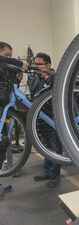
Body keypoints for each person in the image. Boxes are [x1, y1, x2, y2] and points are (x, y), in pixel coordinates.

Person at [0, 41, 27, 196]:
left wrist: (17, 76)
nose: (8, 58)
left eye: (10, 55)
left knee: (3, 144)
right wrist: (18, 63)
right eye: (6, 55)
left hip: (4, 112)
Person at [31, 53, 62, 188]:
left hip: (52, 118)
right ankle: (47, 172)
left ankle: (55, 175)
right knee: (46, 147)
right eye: (35, 64)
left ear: (48, 65)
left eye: (39, 64)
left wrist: (49, 77)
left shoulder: (56, 77)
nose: (36, 67)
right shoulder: (36, 78)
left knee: (55, 149)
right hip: (41, 119)